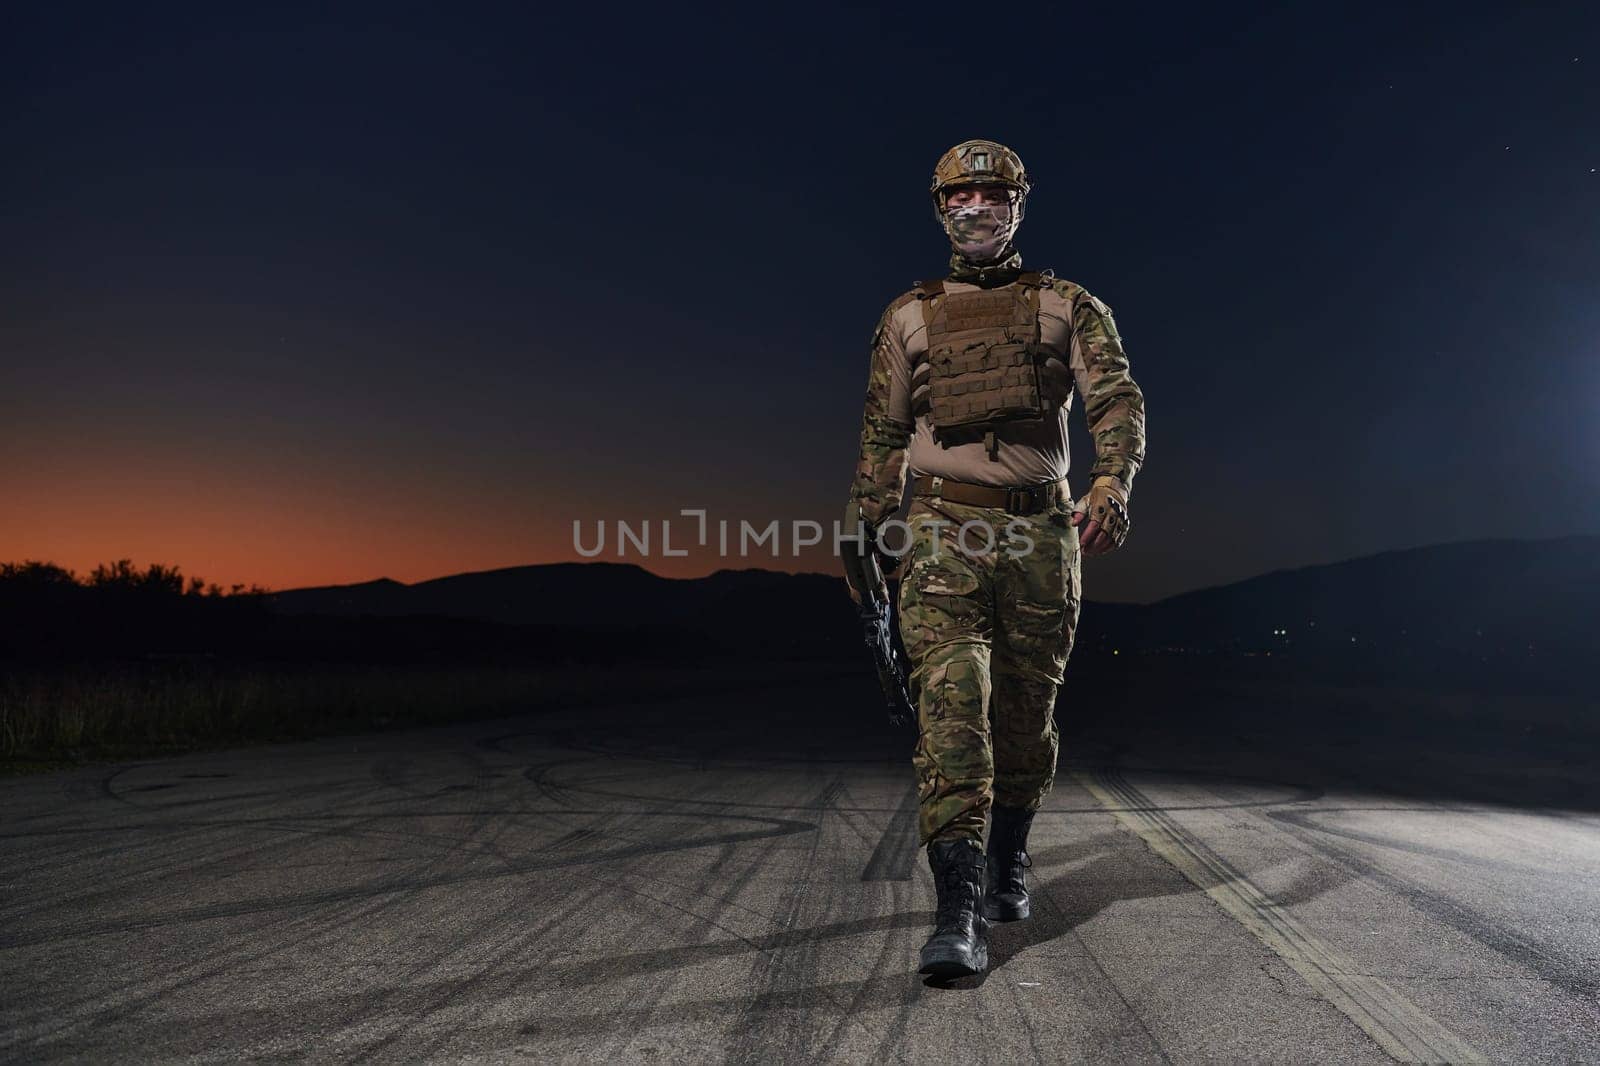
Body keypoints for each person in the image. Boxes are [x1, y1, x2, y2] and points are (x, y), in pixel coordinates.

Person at [843, 139, 1147, 979]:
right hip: (943, 531)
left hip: (1041, 537)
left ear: (1019, 204)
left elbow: (1115, 398)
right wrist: (867, 530)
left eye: (992, 195)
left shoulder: (1065, 305)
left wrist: (1112, 484)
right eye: (959, 197)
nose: (976, 209)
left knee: (1024, 716)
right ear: (940, 210)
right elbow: (883, 433)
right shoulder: (907, 314)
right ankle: (957, 910)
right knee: (952, 710)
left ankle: (1010, 853)